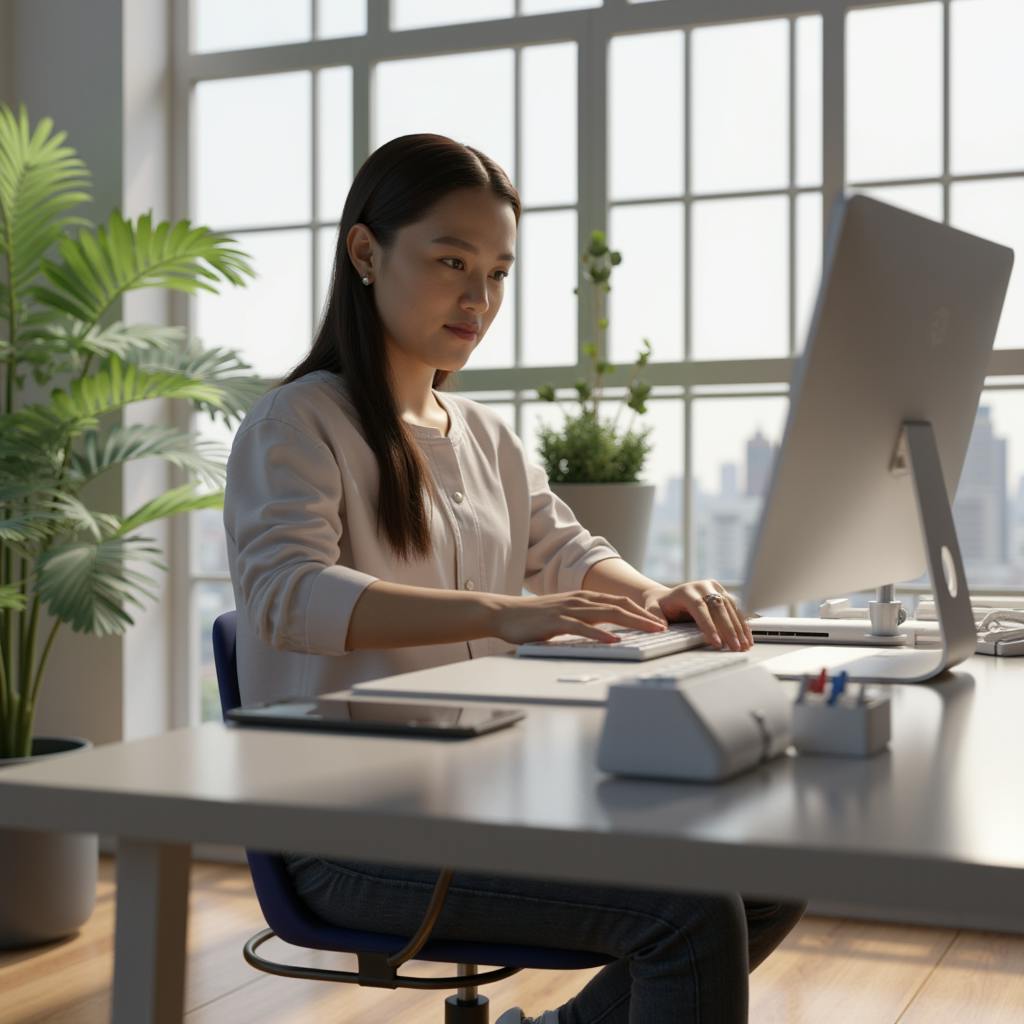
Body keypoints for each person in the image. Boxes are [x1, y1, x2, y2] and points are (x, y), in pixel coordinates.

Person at [223, 133, 804, 1024]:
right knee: (684, 916)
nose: (479, 297)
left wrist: (657, 596)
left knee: (769, 873)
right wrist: (507, 612)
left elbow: (566, 550)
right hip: (342, 830)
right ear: (366, 251)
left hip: (485, 794)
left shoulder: (486, 433)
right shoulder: (297, 422)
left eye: (498, 272)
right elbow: (287, 595)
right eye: (453, 261)